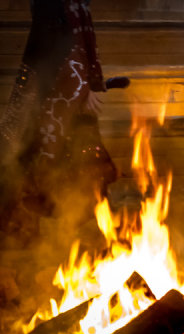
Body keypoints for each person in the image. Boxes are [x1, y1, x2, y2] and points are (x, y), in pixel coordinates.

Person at [0, 0, 124, 242]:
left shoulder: (75, 6)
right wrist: (85, 84)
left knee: (75, 153)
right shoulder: (56, 7)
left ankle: (72, 237)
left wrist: (91, 83)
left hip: (65, 84)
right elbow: (53, 39)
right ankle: (26, 237)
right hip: (55, 84)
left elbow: (76, 39)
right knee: (33, 154)